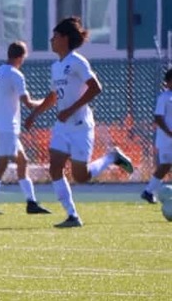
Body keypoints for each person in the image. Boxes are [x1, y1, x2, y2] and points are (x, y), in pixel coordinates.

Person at [24, 16, 134, 227]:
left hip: (81, 126)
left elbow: (96, 87)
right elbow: (54, 96)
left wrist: (71, 109)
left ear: (65, 38)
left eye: (55, 36)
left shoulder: (77, 61)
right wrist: (35, 113)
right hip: (62, 127)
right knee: (54, 168)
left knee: (81, 176)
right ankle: (72, 215)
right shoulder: (56, 66)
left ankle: (112, 157)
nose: (51, 40)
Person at [0, 40, 50, 215]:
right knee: (2, 165)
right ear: (20, 57)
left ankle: (31, 203)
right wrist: (47, 102)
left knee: (22, 161)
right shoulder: (15, 74)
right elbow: (28, 103)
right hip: (6, 127)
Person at [141, 67, 172, 203]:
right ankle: (148, 191)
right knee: (165, 165)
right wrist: (169, 132)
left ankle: (148, 191)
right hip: (166, 139)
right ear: (168, 82)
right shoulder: (164, 97)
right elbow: (158, 117)